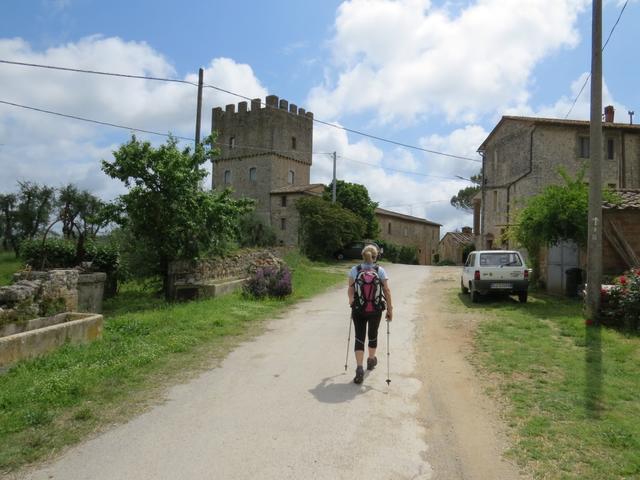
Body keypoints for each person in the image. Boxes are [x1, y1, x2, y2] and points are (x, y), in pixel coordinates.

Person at [347, 244, 393, 384]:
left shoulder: (355, 270)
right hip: (376, 309)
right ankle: (371, 360)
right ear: (376, 256)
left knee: (359, 337)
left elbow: (350, 289)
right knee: (373, 335)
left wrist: (351, 301)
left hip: (359, 309)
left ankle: (359, 368)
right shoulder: (380, 270)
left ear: (363, 256)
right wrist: (390, 309)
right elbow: (387, 291)